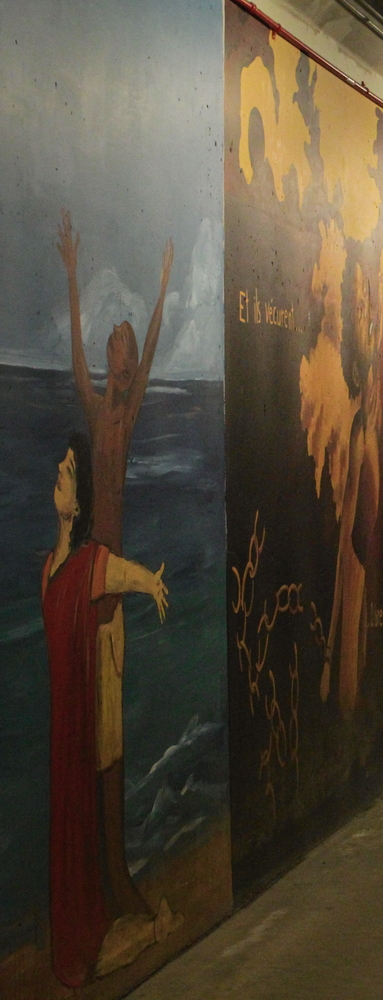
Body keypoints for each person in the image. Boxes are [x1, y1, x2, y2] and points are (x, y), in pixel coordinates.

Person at [57, 212, 173, 922]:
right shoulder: (103, 413)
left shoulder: (124, 419)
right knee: (98, 736)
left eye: (126, 345)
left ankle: (115, 874)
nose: (121, 352)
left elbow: (157, 347)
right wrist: (72, 276)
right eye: (117, 344)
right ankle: (110, 880)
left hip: (113, 588)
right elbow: (73, 357)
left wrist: (161, 292)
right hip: (99, 580)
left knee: (111, 735)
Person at [43, 432, 177, 987]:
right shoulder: (52, 566)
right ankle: (124, 934)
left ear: (81, 498)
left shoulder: (91, 562)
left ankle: (140, 933)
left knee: (85, 876)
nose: (59, 471)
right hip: (64, 730)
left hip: (79, 726)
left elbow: (126, 573)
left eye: (69, 470)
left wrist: (153, 585)